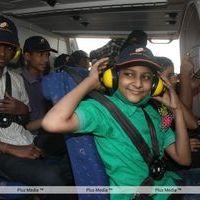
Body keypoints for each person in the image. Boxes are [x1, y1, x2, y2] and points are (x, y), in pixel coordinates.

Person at [42, 46, 191, 200]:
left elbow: (184, 159)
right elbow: (52, 123)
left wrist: (177, 111)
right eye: (129, 74)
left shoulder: (152, 112)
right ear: (112, 77)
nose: (138, 83)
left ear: (155, 84)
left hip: (170, 186)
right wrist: (89, 82)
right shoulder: (102, 110)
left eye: (146, 77)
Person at [0, 16, 72, 193]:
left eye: (8, 48)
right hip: (4, 149)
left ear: (14, 51)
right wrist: (11, 149)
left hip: (26, 139)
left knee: (72, 156)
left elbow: (25, 118)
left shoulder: (15, 80)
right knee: (51, 178)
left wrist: (22, 109)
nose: (2, 53)